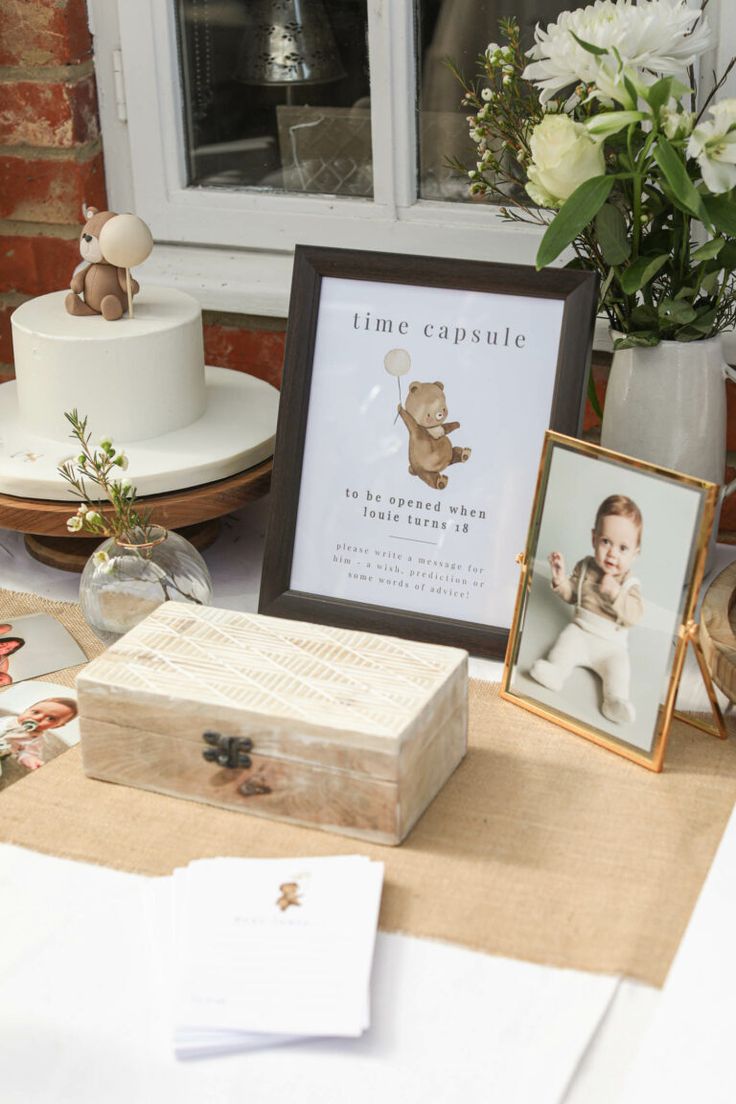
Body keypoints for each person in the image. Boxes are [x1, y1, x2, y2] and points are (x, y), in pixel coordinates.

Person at [529, 494, 644, 725]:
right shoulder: (585, 567)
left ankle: (614, 702)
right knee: (564, 645)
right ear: (594, 538)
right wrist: (560, 578)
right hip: (581, 632)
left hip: (612, 646)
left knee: (619, 671)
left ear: (635, 554)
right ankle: (556, 672)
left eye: (623, 548)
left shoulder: (629, 585)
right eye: (606, 542)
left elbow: (635, 616)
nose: (612, 553)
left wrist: (616, 594)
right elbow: (573, 595)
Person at [0, 697, 77, 773]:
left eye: (50, 718)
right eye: (35, 712)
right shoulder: (9, 719)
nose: (38, 718)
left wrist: (30, 759)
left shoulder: (35, 739)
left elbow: (28, 752)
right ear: (26, 710)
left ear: (57, 726)